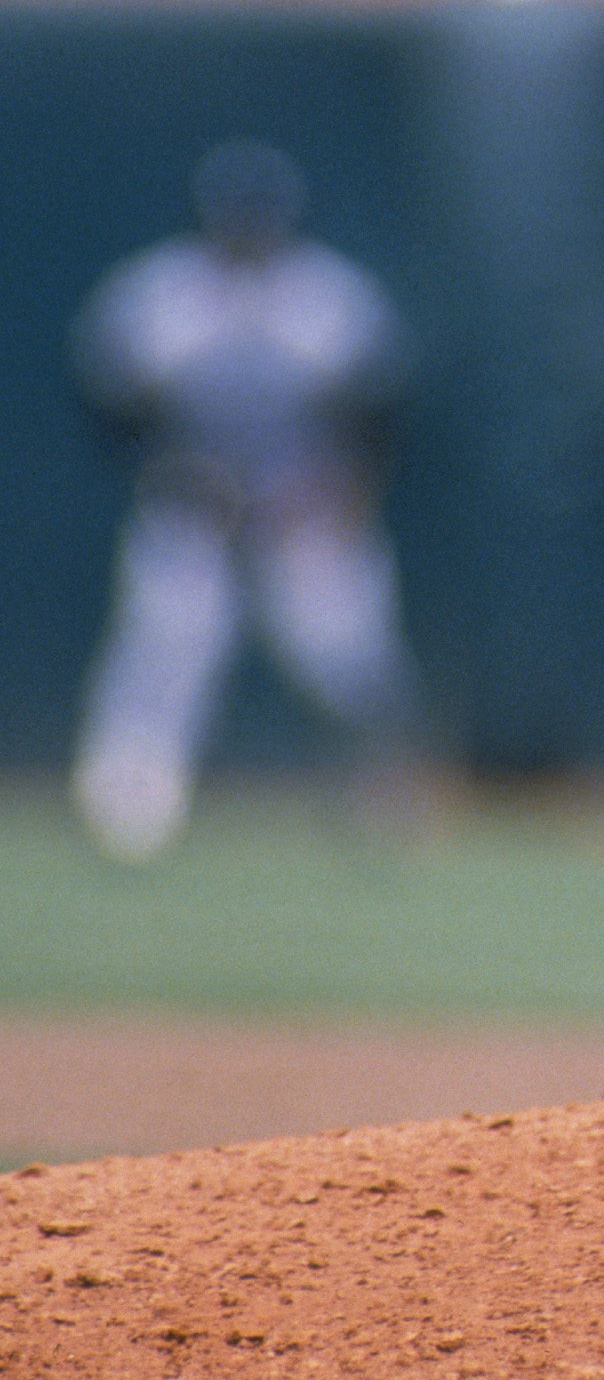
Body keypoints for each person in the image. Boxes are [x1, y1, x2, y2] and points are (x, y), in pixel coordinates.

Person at [69, 141, 427, 860]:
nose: (247, 230)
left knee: (344, 654)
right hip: (195, 509)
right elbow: (114, 412)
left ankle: (383, 791)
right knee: (166, 648)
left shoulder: (329, 298)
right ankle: (130, 811)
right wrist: (171, 474)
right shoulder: (160, 294)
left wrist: (344, 492)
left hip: (302, 509)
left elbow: (380, 416)